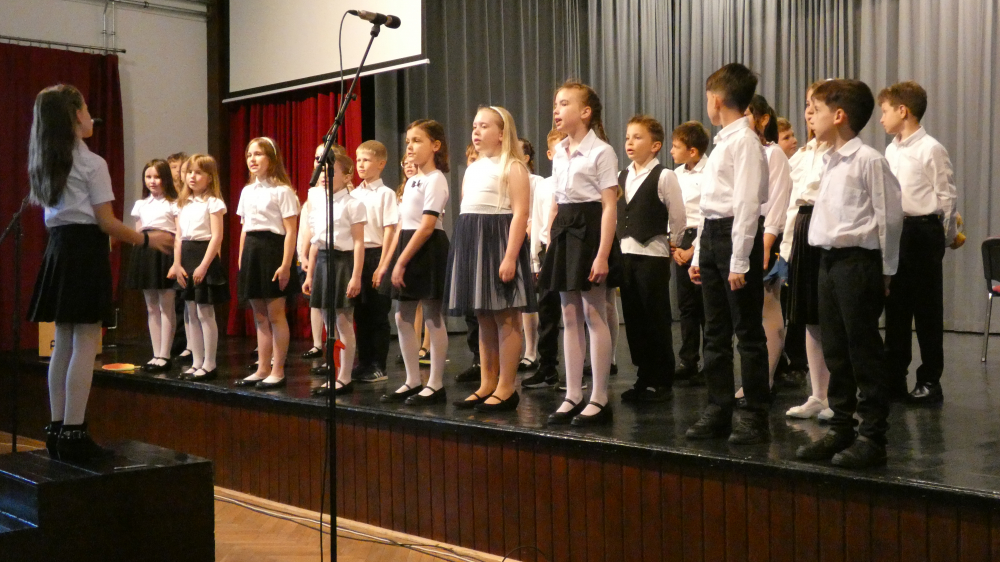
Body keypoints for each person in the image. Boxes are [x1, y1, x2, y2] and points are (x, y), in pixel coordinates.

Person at [27, 84, 173, 461]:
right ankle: (75, 431)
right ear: (75, 116)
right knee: (86, 342)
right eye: (86, 108)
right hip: (84, 251)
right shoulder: (92, 163)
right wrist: (146, 239)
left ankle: (57, 428)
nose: (92, 114)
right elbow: (106, 222)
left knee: (64, 340)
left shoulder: (47, 160)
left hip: (58, 248)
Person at [795, 79, 903, 469]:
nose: (810, 114)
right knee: (836, 351)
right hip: (827, 262)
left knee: (863, 351)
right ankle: (841, 428)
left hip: (858, 263)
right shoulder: (830, 159)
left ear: (839, 115)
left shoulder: (868, 160)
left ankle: (872, 437)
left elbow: (889, 218)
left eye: (817, 108)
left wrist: (886, 270)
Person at [684, 63, 770, 444]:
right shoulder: (723, 142)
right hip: (713, 236)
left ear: (717, 100)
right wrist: (699, 253)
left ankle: (754, 414)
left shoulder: (745, 142)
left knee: (747, 331)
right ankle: (718, 408)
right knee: (715, 332)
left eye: (708, 98)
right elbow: (709, 205)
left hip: (737, 238)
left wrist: (739, 259)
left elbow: (747, 203)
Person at [540, 81, 622, 426]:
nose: (556, 110)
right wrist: (549, 236)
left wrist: (602, 254)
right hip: (565, 230)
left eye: (564, 104)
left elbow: (609, 206)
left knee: (593, 312)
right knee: (569, 314)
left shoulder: (602, 152)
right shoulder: (560, 151)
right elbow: (557, 200)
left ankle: (599, 396)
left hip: (590, 230)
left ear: (585, 112)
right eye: (555, 104)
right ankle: (573, 393)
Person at [447, 106, 535, 412]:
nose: (476, 131)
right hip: (474, 241)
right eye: (475, 125)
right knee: (483, 315)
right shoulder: (473, 168)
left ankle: (507, 387)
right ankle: (487, 382)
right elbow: (467, 209)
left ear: (501, 133)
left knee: (506, 316)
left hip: (499, 241)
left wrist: (509, 256)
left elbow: (521, 213)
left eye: (484, 126)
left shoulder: (513, 166)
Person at [878, 81, 958, 404]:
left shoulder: (931, 149)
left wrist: (945, 238)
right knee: (896, 308)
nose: (881, 118)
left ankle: (930, 380)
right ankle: (894, 376)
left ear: (903, 111)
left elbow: (946, 197)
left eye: (885, 111)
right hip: (898, 230)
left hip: (924, 231)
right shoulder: (890, 150)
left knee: (926, 309)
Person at [775, 81, 835, 420]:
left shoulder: (840, 154)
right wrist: (786, 251)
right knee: (810, 319)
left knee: (832, 319)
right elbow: (790, 207)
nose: (809, 112)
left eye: (816, 105)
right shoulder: (800, 157)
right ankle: (818, 395)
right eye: (807, 104)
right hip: (802, 235)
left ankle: (839, 395)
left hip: (829, 236)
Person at [381, 119, 452, 405]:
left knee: (432, 316)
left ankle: (435, 383)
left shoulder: (436, 179)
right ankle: (412, 380)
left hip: (428, 247)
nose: (410, 146)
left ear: (435, 145)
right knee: (402, 316)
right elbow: (404, 223)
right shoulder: (411, 180)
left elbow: (427, 225)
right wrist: (391, 260)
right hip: (408, 244)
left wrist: (401, 262)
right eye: (408, 140)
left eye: (417, 140)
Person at [616, 115, 686, 402]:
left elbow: (678, 216)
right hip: (626, 255)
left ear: (655, 145)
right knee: (634, 319)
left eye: (637, 137)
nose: (630, 142)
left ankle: (662, 378)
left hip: (652, 256)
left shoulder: (664, 176)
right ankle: (643, 376)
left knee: (654, 317)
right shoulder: (622, 176)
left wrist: (673, 244)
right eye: (628, 137)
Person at [737, 95, 792, 399]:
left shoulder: (774, 154)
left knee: (769, 305)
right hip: (743, 233)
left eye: (746, 113)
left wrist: (767, 243)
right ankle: (753, 377)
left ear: (762, 118)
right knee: (749, 310)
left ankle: (764, 379)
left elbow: (778, 203)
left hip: (765, 235)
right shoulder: (739, 151)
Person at [234, 137, 301, 390]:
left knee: (275, 314)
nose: (252, 159)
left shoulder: (282, 191)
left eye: (258, 154)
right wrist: (242, 259)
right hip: (252, 251)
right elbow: (245, 229)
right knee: (260, 315)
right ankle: (262, 368)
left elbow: (291, 231)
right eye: (249, 154)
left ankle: (277, 370)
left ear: (271, 159)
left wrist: (286, 264)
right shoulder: (247, 191)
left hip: (273, 250)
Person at [303, 149, 367, 396]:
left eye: (330, 170)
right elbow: (315, 242)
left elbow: (359, 242)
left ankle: (345, 377)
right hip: (323, 261)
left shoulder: (353, 204)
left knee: (343, 321)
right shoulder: (319, 203)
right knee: (328, 322)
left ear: (347, 176)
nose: (324, 174)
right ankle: (335, 370)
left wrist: (356, 275)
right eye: (321, 169)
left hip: (342, 262)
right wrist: (309, 274)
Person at [168, 154, 229, 381]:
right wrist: (177, 264)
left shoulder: (213, 202)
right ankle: (196, 362)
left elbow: (217, 237)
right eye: (189, 172)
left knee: (204, 312)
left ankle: (210, 364)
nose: (192, 177)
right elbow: (178, 237)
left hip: (204, 257)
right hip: (186, 256)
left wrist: (204, 265)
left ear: (210, 177)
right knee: (190, 312)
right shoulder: (182, 204)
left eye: (198, 172)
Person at [521, 129, 567, 389]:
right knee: (547, 311)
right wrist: (535, 259)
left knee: (574, 313)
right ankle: (547, 367)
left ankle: (577, 371)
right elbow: (537, 221)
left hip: (569, 248)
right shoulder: (543, 185)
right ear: (550, 154)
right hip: (547, 252)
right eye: (557, 150)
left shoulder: (575, 182)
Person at [126, 159, 179, 373]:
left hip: (165, 253)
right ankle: (156, 354)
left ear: (165, 178)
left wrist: (177, 261)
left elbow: (179, 234)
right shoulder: (141, 205)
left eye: (157, 177)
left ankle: (165, 354)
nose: (152, 181)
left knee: (166, 305)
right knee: (151, 306)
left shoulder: (174, 203)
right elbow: (138, 233)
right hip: (145, 253)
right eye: (148, 177)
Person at [352, 140, 399, 383]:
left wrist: (382, 265)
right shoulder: (353, 194)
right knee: (360, 314)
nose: (361, 164)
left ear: (381, 164)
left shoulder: (385, 194)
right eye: (358, 160)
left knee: (378, 313)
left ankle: (379, 365)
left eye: (366, 160)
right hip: (357, 255)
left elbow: (390, 230)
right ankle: (364, 362)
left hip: (377, 253)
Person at [670, 121, 709, 385]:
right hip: (681, 236)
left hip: (701, 237)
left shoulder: (710, 172)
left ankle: (711, 361)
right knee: (686, 306)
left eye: (676, 146)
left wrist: (694, 249)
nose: (672, 151)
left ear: (692, 151)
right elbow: (672, 210)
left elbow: (708, 213)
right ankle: (688, 360)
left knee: (706, 306)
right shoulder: (676, 174)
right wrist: (674, 245)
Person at [518, 137, 542, 373]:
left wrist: (527, 229)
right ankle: (520, 350)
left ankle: (532, 351)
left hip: (529, 241)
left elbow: (537, 213)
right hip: (510, 241)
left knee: (530, 298)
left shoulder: (536, 182)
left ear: (526, 158)